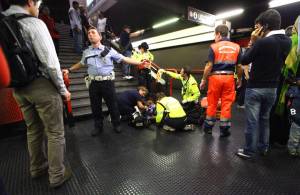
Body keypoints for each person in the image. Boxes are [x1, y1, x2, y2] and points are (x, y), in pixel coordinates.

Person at [2, 0, 72, 187]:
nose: (39, 8)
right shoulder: (34, 23)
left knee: (33, 130)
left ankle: (37, 167)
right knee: (55, 132)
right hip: (41, 86)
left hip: (18, 89)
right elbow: (50, 62)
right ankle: (57, 175)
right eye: (38, 4)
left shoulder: (3, 22)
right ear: (30, 2)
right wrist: (63, 90)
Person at [63, 26, 149, 136]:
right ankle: (98, 127)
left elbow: (124, 58)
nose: (90, 34)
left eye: (93, 32)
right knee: (95, 106)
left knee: (112, 104)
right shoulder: (86, 52)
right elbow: (81, 63)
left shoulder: (109, 50)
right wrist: (69, 70)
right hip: (93, 83)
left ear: (99, 36)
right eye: (89, 33)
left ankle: (116, 124)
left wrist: (139, 63)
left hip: (107, 82)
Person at [236, 9, 292, 159]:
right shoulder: (288, 41)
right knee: (265, 119)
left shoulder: (262, 42)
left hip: (255, 88)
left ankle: (249, 151)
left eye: (258, 26)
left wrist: (252, 42)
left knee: (252, 122)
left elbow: (244, 60)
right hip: (272, 89)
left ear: (265, 26)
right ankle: (263, 148)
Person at [199, 24, 243, 137]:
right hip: (229, 78)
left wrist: (203, 80)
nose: (214, 37)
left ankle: (208, 128)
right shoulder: (237, 47)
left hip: (215, 78)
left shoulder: (213, 47)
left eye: (215, 34)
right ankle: (224, 129)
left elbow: (209, 65)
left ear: (218, 34)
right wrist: (239, 79)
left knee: (212, 102)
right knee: (226, 104)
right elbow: (239, 66)